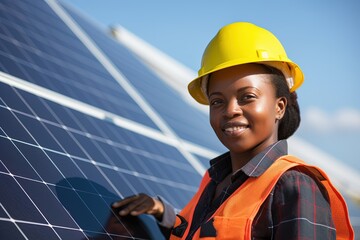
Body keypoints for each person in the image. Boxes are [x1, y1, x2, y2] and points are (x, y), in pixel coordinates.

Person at [112, 22, 354, 239]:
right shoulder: (214, 180)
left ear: (279, 106)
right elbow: (195, 232)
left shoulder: (294, 185)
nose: (230, 110)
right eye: (217, 101)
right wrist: (161, 212)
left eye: (247, 97)